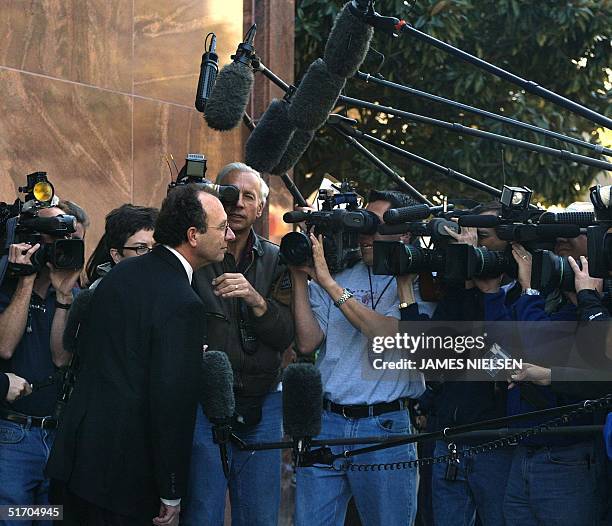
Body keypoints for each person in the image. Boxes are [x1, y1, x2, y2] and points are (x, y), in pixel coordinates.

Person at [46, 185, 235, 526]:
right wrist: (171, 492)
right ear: (193, 235)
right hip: (127, 483)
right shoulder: (184, 303)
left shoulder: (120, 274)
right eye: (222, 226)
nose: (231, 234)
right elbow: (170, 406)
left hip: (79, 464)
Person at [291, 189, 434, 526]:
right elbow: (308, 342)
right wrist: (300, 274)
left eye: (378, 225)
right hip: (327, 423)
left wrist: (326, 282)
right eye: (364, 224)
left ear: (406, 232)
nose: (367, 233)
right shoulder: (342, 274)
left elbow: (387, 335)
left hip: (385, 426)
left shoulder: (419, 285)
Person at [183, 163, 294, 526]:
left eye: (249, 197)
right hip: (204, 400)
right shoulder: (198, 252)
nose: (238, 203)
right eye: (230, 193)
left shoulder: (277, 259)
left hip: (263, 400)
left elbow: (285, 336)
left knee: (260, 515)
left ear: (260, 208)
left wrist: (256, 300)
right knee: (203, 512)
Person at [0, 202, 86, 526]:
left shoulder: (70, 293)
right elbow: (5, 347)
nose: (61, 249)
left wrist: (64, 295)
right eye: (53, 240)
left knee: (48, 519)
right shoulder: (6, 281)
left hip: (53, 436)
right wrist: (26, 280)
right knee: (12, 519)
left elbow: (62, 358)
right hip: (12, 436)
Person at [84, 204, 158, 288]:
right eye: (141, 248)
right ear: (117, 255)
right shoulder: (102, 291)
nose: (153, 255)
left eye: (157, 247)